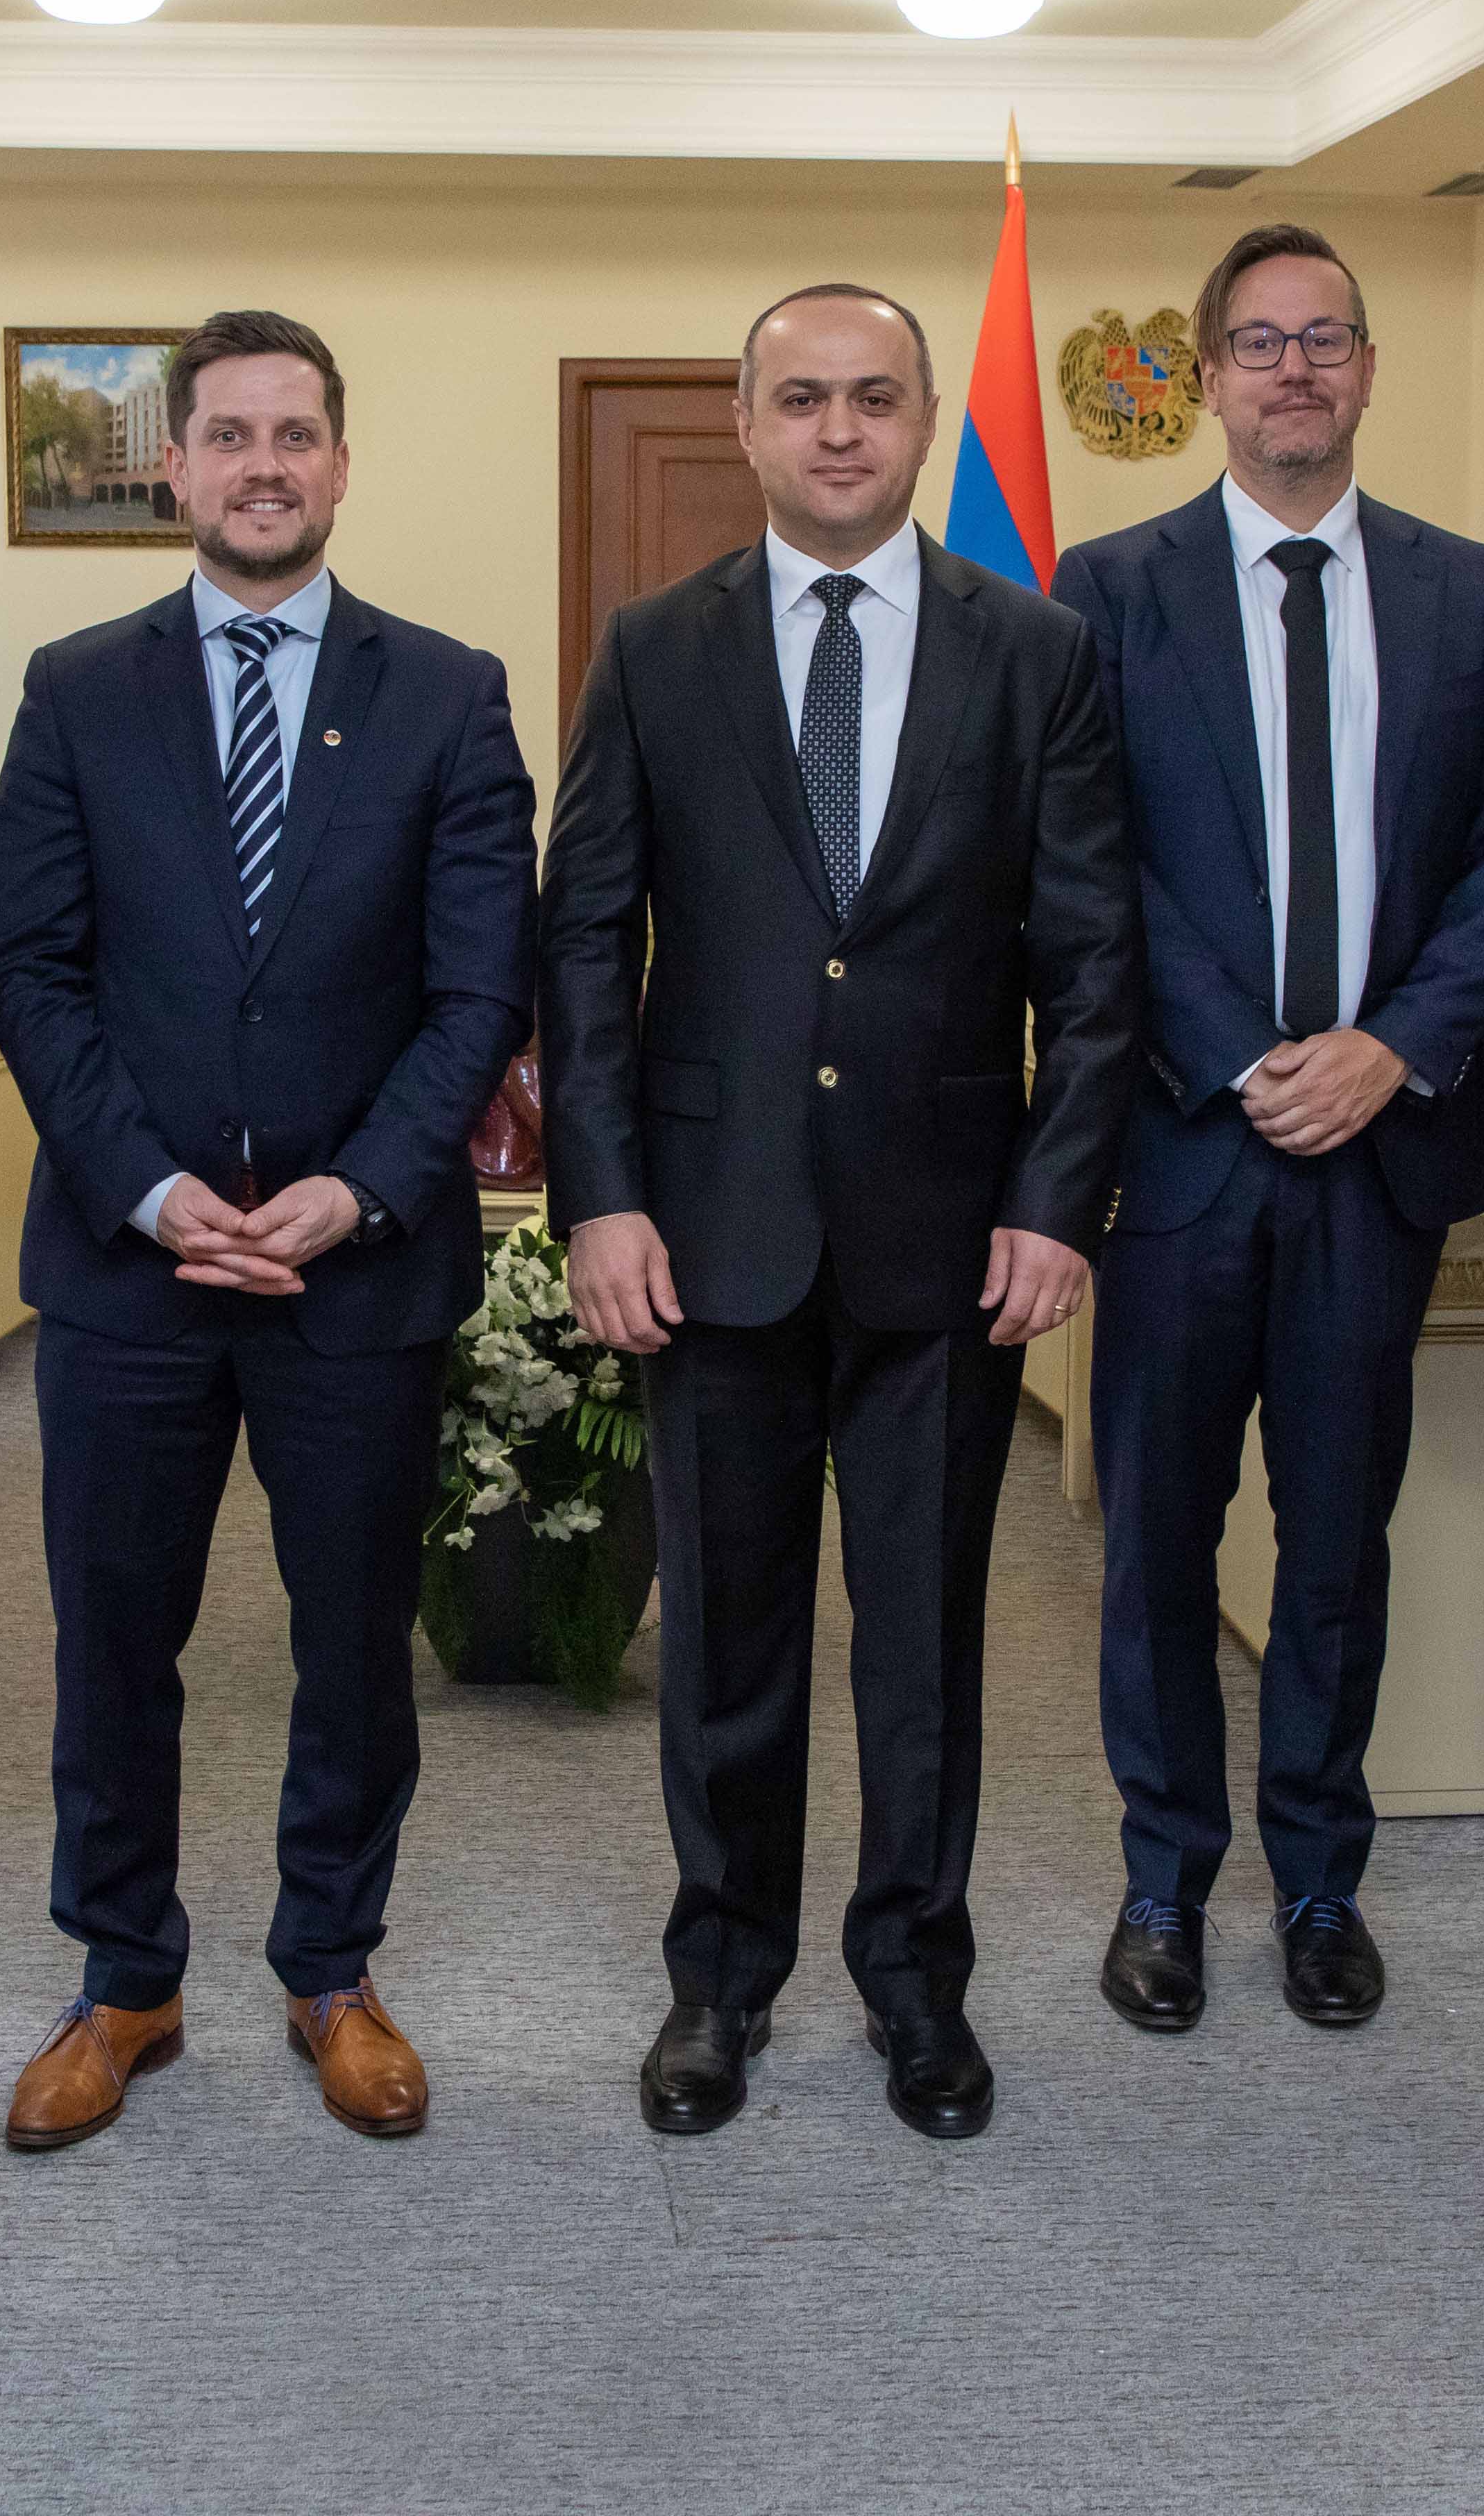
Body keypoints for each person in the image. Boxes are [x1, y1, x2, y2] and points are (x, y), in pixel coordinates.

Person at [540, 280, 1138, 2143]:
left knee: (925, 1645)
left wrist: (1058, 1198)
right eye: (801, 399)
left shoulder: (1035, 649)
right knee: (727, 1639)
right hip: (709, 1230)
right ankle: (721, 1977)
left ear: (925, 418)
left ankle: (916, 1980)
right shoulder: (655, 647)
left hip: (947, 1238)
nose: (839, 431)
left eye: (876, 398)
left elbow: (1093, 959)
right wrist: (600, 1199)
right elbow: (586, 941)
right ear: (747, 424)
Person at [0, 310, 536, 2149]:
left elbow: (481, 988)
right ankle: (123, 1978)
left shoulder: (449, 693)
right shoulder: (78, 689)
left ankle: (331, 1970)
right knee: (113, 1642)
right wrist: (152, 1190)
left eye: (297, 434)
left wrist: (359, 1186)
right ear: (176, 470)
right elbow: (31, 968)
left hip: (355, 1272)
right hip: (128, 1270)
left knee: (353, 1645)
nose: (264, 465)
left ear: (343, 465)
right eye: (229, 435)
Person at [1051, 225, 1484, 2034]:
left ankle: (1324, 1881)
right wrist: (1247, 1052)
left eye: (1324, 339)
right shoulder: (1110, 589)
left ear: (1367, 367)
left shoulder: (1465, 591)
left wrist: (1392, 1051)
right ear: (1207, 377)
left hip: (1379, 1153)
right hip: (1184, 1146)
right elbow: (1084, 856)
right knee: (1162, 1543)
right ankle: (1166, 1881)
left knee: (1339, 1539)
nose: (1293, 371)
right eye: (1258, 344)